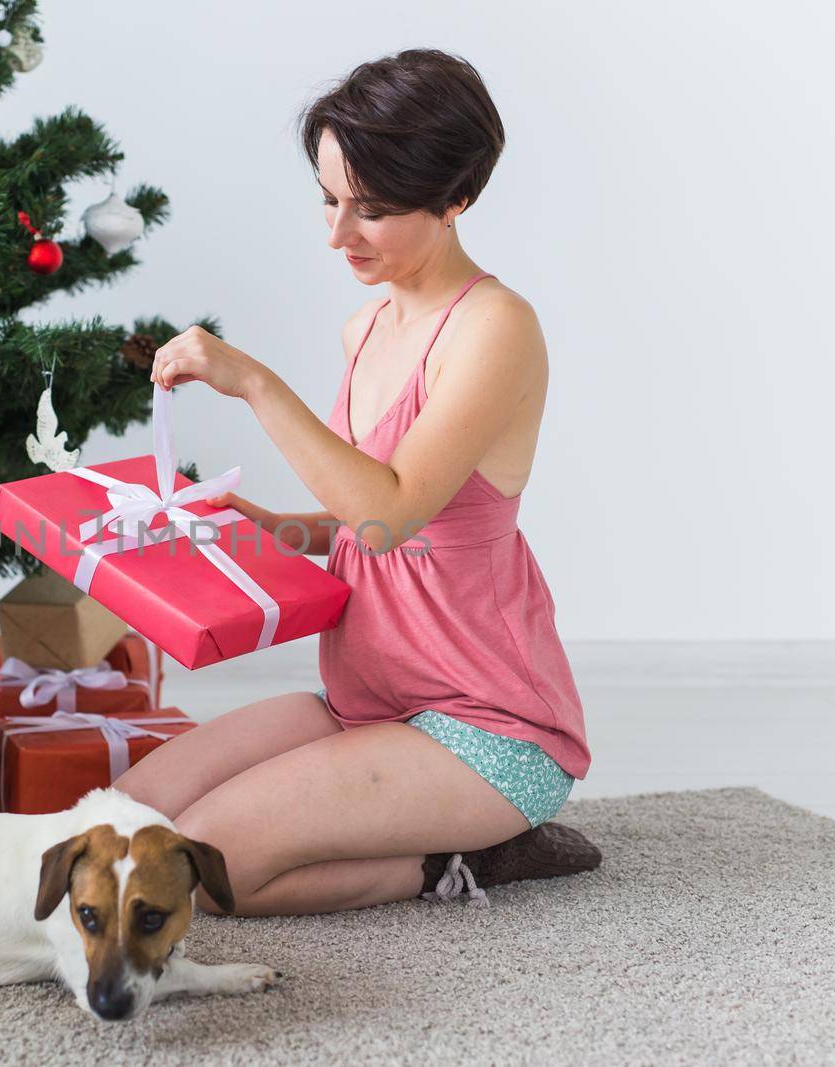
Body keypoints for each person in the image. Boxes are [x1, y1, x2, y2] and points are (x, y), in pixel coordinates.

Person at [112, 49, 599, 916]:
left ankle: (464, 860)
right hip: (366, 705)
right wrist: (269, 527)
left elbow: (393, 510)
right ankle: (428, 838)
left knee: (197, 872)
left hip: (488, 731)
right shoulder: (365, 327)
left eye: (372, 210)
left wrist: (253, 382)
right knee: (124, 825)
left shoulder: (495, 328)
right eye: (331, 200)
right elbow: (359, 525)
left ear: (456, 197)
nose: (339, 235)